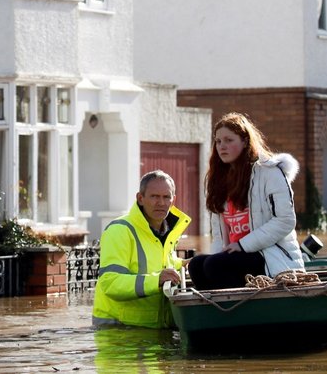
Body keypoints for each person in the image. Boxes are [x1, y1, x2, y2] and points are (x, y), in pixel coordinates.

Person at [186, 112, 304, 290]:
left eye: (229, 140)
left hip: (270, 256)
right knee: (197, 265)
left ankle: (240, 313)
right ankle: (218, 313)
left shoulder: (269, 172)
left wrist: (242, 245)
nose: (222, 147)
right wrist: (217, 256)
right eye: (218, 141)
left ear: (245, 141)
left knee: (214, 265)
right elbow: (219, 235)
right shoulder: (219, 181)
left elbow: (285, 221)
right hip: (236, 257)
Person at [92, 170, 191, 329]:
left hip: (150, 331)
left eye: (166, 197)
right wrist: (157, 280)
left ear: (173, 201)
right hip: (118, 333)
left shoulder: (166, 231)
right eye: (154, 196)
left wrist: (183, 264)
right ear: (140, 198)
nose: (161, 202)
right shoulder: (120, 230)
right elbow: (110, 283)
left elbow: (158, 263)